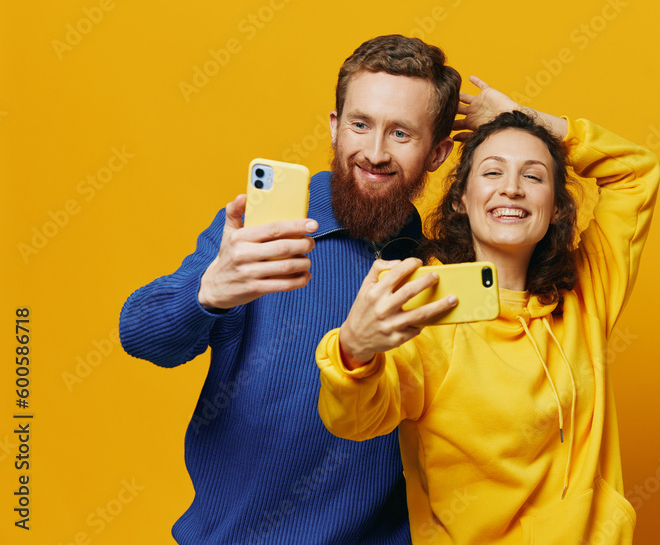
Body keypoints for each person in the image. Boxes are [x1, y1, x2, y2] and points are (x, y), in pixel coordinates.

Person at [119, 34, 465, 544]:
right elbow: (140, 335)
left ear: (438, 153)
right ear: (334, 127)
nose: (374, 153)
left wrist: (520, 121)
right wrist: (208, 293)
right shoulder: (258, 235)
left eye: (401, 134)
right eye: (360, 124)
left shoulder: (438, 271)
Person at [315, 78, 660, 544]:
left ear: (557, 207)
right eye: (493, 173)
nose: (512, 190)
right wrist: (353, 351)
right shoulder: (428, 303)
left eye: (534, 176)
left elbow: (636, 172)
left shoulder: (586, 291)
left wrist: (524, 118)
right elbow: (357, 420)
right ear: (461, 198)